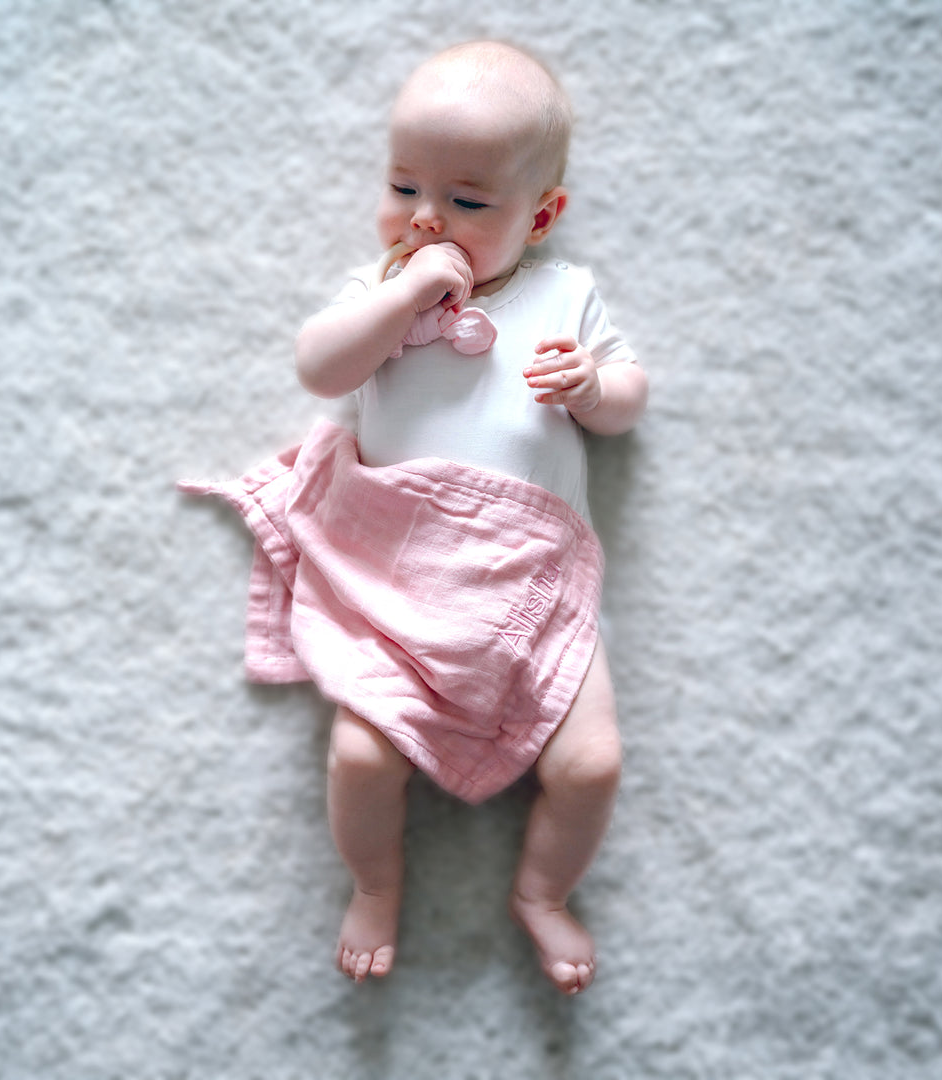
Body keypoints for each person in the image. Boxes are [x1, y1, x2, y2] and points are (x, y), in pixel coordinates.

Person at [291, 40, 648, 996]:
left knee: (595, 764)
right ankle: (374, 881)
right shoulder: (381, 286)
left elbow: (631, 397)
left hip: (530, 581)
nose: (424, 218)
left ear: (542, 216)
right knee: (362, 755)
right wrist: (404, 291)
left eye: (468, 201)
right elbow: (321, 369)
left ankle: (542, 891)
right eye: (404, 184)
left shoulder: (563, 293)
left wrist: (594, 387)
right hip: (399, 583)